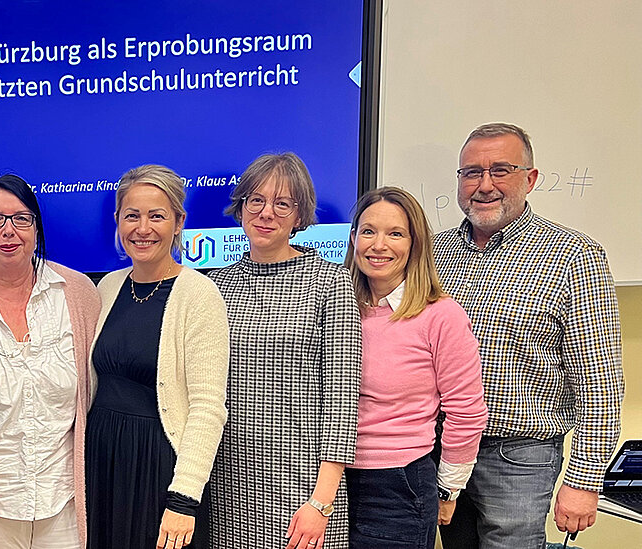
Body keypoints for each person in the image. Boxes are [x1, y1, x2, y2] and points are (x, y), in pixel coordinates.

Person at [435, 123, 624, 549]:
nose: (484, 185)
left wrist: (584, 481)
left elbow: (600, 381)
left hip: (519, 457)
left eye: (501, 170)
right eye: (471, 172)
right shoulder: (432, 252)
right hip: (442, 450)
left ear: (531, 178)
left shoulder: (575, 255)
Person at [200, 152, 361, 549]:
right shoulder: (215, 285)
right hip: (227, 488)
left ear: (299, 215)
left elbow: (343, 399)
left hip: (304, 492)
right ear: (241, 207)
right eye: (256, 200)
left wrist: (321, 502)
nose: (266, 212)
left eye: (282, 203)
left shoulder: (330, 281)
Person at [0, 175, 100, 549]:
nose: (8, 230)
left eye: (21, 218)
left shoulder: (79, 294)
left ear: (36, 227)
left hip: (64, 504)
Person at [85, 164, 229, 549]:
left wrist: (184, 499)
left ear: (179, 222)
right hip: (102, 463)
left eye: (157, 216)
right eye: (132, 215)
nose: (143, 228)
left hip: (159, 470)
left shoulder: (199, 295)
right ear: (118, 221)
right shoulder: (107, 287)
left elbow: (207, 407)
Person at [342, 187, 488, 548]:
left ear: (415, 244)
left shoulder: (440, 316)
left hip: (397, 488)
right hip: (327, 479)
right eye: (368, 231)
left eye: (395, 234)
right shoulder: (337, 306)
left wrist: (449, 489)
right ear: (354, 238)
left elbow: (466, 411)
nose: (379, 245)